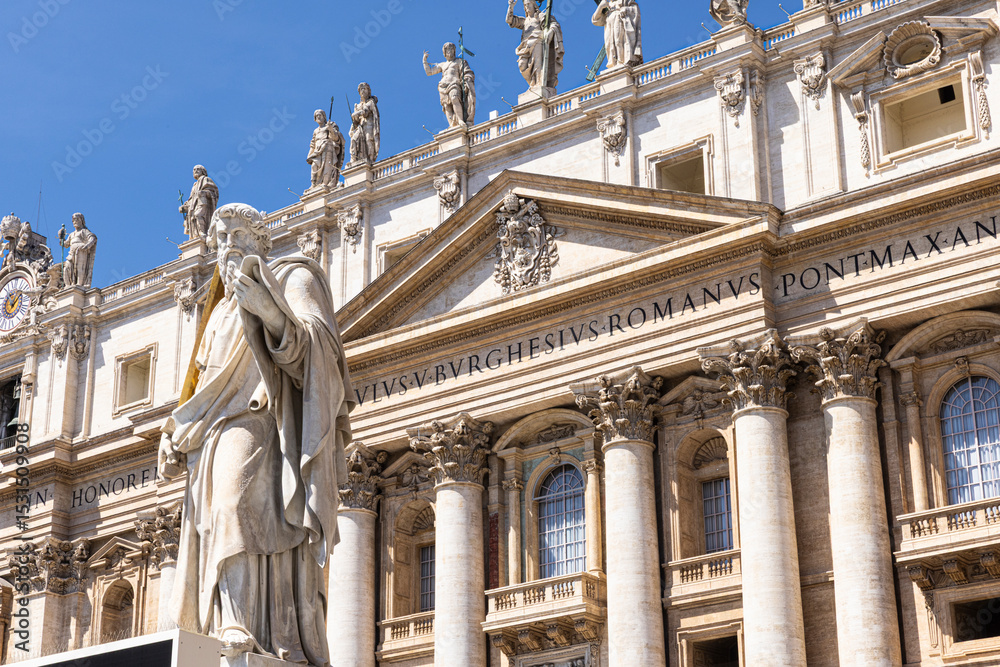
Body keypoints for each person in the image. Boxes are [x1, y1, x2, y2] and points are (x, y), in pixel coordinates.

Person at [159, 203, 355, 665]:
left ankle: (242, 625)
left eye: (237, 236)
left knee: (234, 505)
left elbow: (321, 355)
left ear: (260, 243)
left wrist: (271, 313)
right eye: (220, 239)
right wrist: (174, 431)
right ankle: (230, 621)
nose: (227, 247)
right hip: (210, 434)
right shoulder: (216, 318)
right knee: (215, 523)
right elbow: (202, 390)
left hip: (264, 422)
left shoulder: (292, 277)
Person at [506, 0, 564, 93]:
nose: (527, 7)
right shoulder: (524, 21)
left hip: (538, 42)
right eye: (525, 5)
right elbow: (510, 20)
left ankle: (537, 85)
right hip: (525, 46)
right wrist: (511, 7)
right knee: (522, 65)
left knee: (537, 66)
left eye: (528, 4)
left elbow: (554, 24)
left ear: (534, 5)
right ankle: (533, 84)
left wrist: (550, 32)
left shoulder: (540, 16)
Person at [423, 42, 476, 128]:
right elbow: (429, 72)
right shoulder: (442, 65)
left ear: (454, 51)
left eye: (451, 49)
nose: (449, 51)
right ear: (444, 52)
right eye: (447, 49)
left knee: (455, 98)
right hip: (442, 86)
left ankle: (460, 120)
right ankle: (452, 124)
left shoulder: (459, 61)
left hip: (454, 83)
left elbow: (467, 72)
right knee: (447, 106)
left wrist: (467, 79)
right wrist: (424, 61)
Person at [593, 0, 642, 69]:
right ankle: (612, 63)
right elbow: (595, 20)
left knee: (618, 41)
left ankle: (620, 61)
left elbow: (635, 10)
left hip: (619, 19)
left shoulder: (625, 1)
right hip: (608, 23)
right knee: (608, 44)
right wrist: (600, 7)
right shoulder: (607, 4)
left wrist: (625, 9)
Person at [307, 110, 345, 188]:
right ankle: (314, 184)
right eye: (316, 116)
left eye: (320, 115)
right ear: (315, 119)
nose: (318, 117)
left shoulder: (330, 125)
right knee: (314, 165)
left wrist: (330, 129)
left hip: (328, 148)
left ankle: (326, 183)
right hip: (317, 151)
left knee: (327, 166)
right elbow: (313, 144)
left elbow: (336, 138)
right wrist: (309, 155)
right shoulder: (316, 131)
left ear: (324, 116)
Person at [179, 165, 219, 240]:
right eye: (194, 170)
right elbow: (191, 198)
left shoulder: (206, 179)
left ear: (203, 171)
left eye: (198, 169)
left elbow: (214, 192)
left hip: (203, 202)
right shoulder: (194, 185)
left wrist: (204, 193)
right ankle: (195, 235)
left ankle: (202, 232)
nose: (195, 171)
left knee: (198, 215)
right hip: (194, 205)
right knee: (192, 218)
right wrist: (185, 206)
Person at [60, 213, 97, 288]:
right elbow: (65, 245)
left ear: (81, 220)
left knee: (80, 268)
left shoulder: (84, 231)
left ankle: (80, 285)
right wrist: (61, 237)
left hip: (81, 251)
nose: (75, 221)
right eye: (73, 220)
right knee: (67, 268)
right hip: (71, 253)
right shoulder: (72, 234)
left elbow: (93, 238)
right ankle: (68, 285)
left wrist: (87, 245)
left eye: (77, 219)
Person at [349, 83, 380, 165]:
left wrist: (356, 113)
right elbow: (356, 121)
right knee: (354, 139)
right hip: (361, 126)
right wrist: (354, 119)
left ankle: (370, 161)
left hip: (369, 125)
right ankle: (354, 159)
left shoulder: (371, 102)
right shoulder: (357, 105)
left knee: (368, 141)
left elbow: (365, 112)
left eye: (365, 88)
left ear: (368, 91)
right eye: (361, 89)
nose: (363, 90)